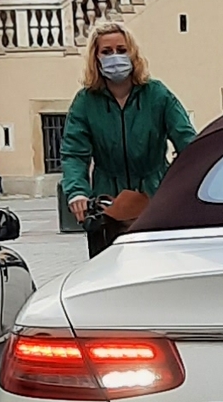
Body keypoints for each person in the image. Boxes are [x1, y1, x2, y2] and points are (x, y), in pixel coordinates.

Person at [61, 21, 194, 255]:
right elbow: (74, 153)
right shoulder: (85, 102)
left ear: (132, 54)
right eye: (107, 52)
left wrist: (184, 185)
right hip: (108, 205)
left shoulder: (157, 95)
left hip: (155, 200)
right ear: (96, 57)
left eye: (121, 50)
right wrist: (77, 191)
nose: (115, 57)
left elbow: (187, 141)